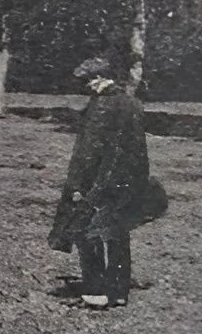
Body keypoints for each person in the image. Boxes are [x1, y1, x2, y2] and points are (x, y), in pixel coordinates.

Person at [50, 55, 157, 309]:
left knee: (87, 234)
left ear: (99, 78)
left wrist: (81, 186)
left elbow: (90, 151)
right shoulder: (130, 103)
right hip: (127, 181)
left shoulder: (102, 105)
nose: (85, 86)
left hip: (101, 180)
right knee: (117, 235)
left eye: (87, 81)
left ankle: (96, 292)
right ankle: (118, 293)